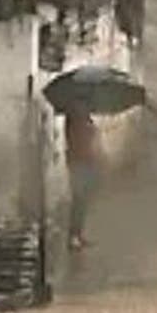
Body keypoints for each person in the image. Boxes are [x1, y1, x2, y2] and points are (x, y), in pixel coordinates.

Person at [64, 105, 101, 251]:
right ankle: (73, 236)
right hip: (78, 163)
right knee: (79, 200)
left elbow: (90, 141)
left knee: (83, 201)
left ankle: (78, 234)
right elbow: (77, 142)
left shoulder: (85, 120)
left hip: (86, 162)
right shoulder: (75, 121)